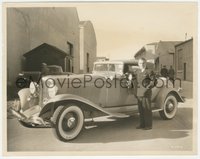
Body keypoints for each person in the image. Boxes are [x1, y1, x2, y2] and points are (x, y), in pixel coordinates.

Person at [134, 58, 156, 130]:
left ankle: (148, 125)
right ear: (138, 64)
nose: (142, 65)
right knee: (141, 110)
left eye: (143, 63)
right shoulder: (137, 72)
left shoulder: (149, 72)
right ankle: (142, 124)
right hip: (139, 93)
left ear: (145, 64)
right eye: (140, 63)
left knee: (147, 109)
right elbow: (133, 79)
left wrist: (147, 88)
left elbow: (154, 82)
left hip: (146, 93)